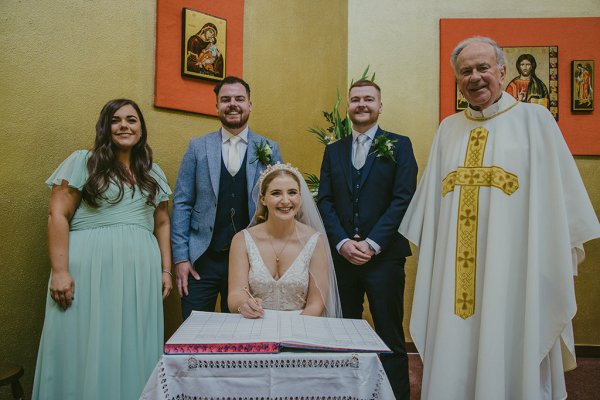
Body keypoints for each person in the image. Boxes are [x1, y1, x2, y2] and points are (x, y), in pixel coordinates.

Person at [399, 36, 600, 400]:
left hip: (515, 275)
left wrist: (558, 258)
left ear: (503, 72)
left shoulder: (535, 120)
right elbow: (429, 212)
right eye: (465, 71)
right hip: (456, 282)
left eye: (483, 68)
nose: (475, 77)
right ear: (457, 80)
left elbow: (560, 204)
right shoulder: (448, 129)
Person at [32, 99, 173, 399]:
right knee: (85, 342)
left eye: (132, 120)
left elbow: (162, 222)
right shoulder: (84, 162)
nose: (125, 125)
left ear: (141, 129)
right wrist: (59, 271)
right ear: (105, 127)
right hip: (89, 272)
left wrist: (165, 269)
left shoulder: (153, 172)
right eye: (116, 120)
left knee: (130, 342)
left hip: (139, 278)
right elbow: (57, 215)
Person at [317, 79, 418, 399]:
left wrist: (373, 243)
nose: (362, 104)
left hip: (384, 258)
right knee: (343, 333)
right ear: (348, 106)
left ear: (379, 106)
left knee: (389, 334)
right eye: (356, 99)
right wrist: (343, 243)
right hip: (342, 258)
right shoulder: (333, 151)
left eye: (369, 99)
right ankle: (348, 393)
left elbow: (403, 199)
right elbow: (326, 200)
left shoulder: (400, 145)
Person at [172, 76, 283, 320]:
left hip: (252, 262)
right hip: (202, 260)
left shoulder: (269, 148)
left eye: (239, 99)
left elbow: (279, 206)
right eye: (225, 99)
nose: (232, 104)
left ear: (250, 104)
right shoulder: (197, 147)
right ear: (216, 106)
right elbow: (182, 203)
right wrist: (181, 258)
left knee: (244, 335)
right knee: (194, 332)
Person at [228, 163, 342, 318]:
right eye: (276, 193)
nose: (286, 201)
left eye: (292, 192)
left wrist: (295, 332)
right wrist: (243, 305)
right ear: (262, 199)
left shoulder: (315, 241)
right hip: (254, 324)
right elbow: (235, 294)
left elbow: (316, 304)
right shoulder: (241, 240)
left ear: (300, 197)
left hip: (302, 327)